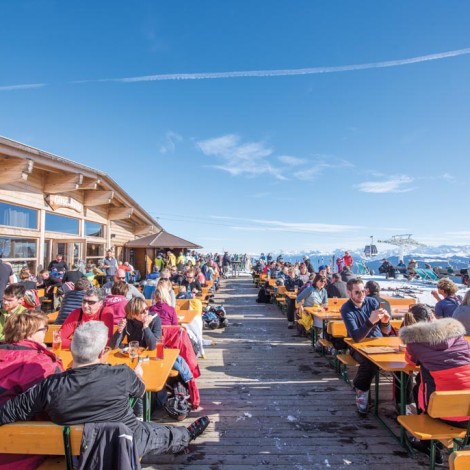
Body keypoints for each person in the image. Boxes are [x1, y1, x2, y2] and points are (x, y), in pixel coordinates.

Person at [0, 321, 210, 463]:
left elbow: (8, 412)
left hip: (70, 452)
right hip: (124, 439)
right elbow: (141, 391)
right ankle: (185, 435)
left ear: (72, 351)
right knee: (155, 432)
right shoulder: (121, 374)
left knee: (146, 429)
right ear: (102, 352)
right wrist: (137, 374)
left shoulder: (50, 386)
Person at [400, 315, 470, 461]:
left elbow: (410, 362)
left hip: (442, 414)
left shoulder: (414, 343)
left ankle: (430, 446)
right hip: (468, 411)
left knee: (419, 390)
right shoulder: (459, 339)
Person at [0, 312, 64, 469]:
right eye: (44, 329)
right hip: (21, 452)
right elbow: (60, 404)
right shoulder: (41, 363)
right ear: (29, 333)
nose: (46, 333)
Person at [341, 278, 391, 415]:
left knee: (403, 365)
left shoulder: (372, 302)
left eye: (363, 291)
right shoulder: (346, 309)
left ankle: (402, 402)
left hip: (378, 342)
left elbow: (385, 331)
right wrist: (371, 321)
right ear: (349, 292)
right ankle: (361, 389)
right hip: (358, 346)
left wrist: (386, 322)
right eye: (357, 292)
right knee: (370, 363)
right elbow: (356, 337)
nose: (361, 295)